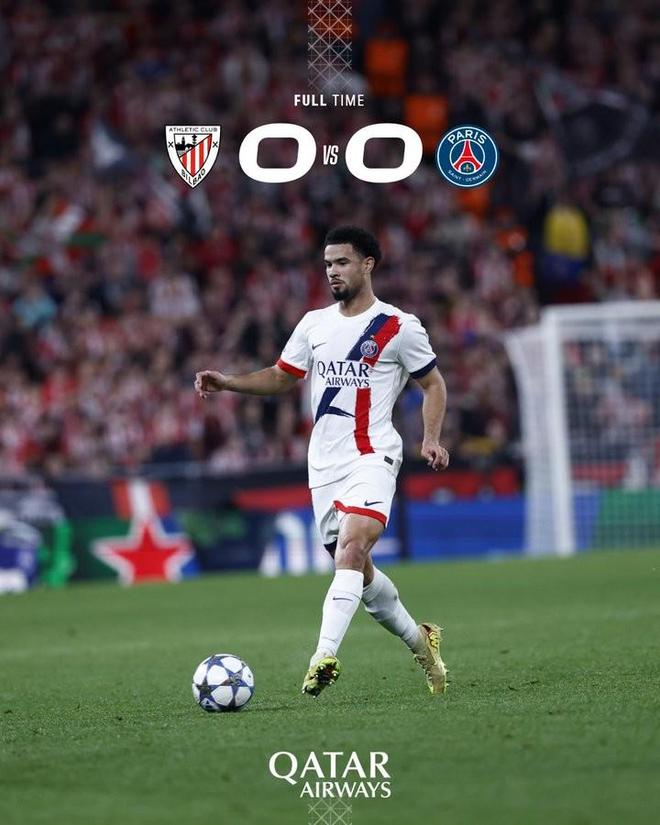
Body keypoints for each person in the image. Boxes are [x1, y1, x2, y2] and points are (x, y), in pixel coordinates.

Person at [195, 226, 450, 697]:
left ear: (368, 264)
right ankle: (421, 642)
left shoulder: (399, 326)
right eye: (328, 263)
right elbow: (281, 376)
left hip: (373, 455)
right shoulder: (313, 324)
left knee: (351, 549)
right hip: (324, 468)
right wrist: (228, 382)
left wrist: (430, 438)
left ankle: (323, 656)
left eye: (342, 262)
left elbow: (433, 384)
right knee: (360, 574)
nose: (332, 271)